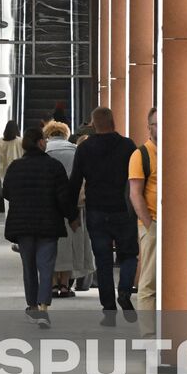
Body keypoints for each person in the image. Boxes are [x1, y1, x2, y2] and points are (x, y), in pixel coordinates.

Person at [65, 107, 138, 324]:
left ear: (94, 124)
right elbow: (136, 178)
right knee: (129, 255)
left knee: (103, 261)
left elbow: (75, 181)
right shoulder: (128, 146)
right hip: (122, 210)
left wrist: (71, 215)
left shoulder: (86, 148)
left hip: (96, 211)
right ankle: (124, 290)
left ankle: (109, 312)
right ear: (114, 122)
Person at [2, 127, 73, 330]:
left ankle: (31, 305)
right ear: (41, 143)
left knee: (29, 266)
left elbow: (7, 193)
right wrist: (72, 216)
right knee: (46, 266)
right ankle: (43, 309)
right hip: (48, 224)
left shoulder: (15, 167)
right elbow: (63, 197)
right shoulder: (54, 167)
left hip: (23, 225)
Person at [43, 120, 92, 298]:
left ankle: (53, 283)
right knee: (71, 243)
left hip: (49, 205)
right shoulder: (75, 150)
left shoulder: (45, 151)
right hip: (73, 205)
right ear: (65, 134)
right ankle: (65, 285)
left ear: (48, 134)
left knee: (52, 243)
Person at [129, 108, 159, 334]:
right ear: (149, 127)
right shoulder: (142, 155)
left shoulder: (180, 151)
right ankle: (148, 334)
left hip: (180, 228)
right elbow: (135, 193)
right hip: (153, 225)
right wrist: (149, 225)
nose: (161, 128)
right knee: (148, 282)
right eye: (156, 124)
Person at [0, 120, 23, 216]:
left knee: (6, 196)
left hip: (4, 172)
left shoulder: (0, 141)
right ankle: (18, 214)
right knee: (19, 195)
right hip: (19, 172)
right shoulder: (20, 141)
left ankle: (8, 215)